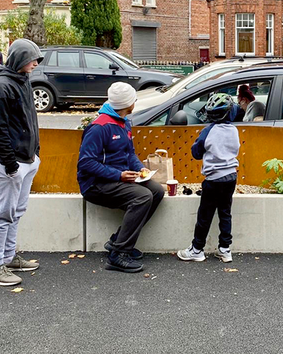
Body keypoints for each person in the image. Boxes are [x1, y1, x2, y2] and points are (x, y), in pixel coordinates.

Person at [77, 82, 164, 273]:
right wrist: (119, 175)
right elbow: (85, 163)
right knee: (142, 196)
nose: (135, 102)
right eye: (134, 99)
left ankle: (118, 240)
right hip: (95, 184)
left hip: (117, 179)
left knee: (157, 191)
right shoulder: (99, 127)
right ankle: (118, 255)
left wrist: (141, 169)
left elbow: (129, 153)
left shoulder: (124, 122)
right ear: (127, 104)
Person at [0, 38, 43, 287]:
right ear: (19, 59)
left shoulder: (22, 79)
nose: (35, 64)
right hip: (10, 163)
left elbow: (29, 118)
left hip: (26, 160)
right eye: (31, 60)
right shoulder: (0, 87)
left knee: (16, 212)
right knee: (4, 214)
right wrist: (10, 165)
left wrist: (35, 153)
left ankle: (8, 258)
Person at [177, 93, 240, 263]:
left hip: (213, 180)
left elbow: (196, 153)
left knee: (205, 215)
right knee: (225, 213)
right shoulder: (234, 130)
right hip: (231, 177)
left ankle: (197, 250)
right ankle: (225, 250)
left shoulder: (208, 131)